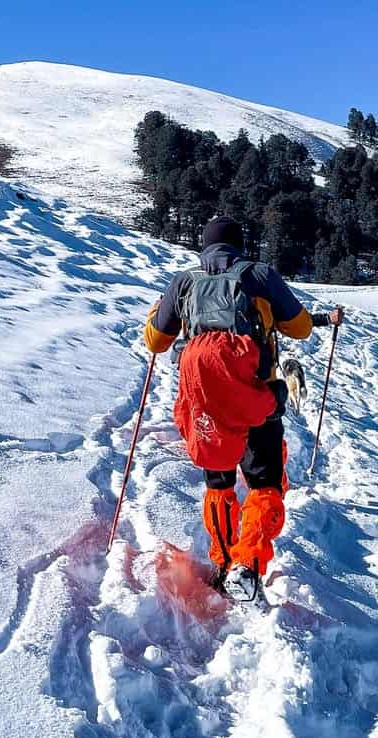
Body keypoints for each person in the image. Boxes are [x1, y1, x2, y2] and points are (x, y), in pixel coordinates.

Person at [144, 215, 343, 596]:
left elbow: (156, 342)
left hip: (203, 402)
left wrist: (156, 313)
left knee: (219, 483)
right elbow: (299, 328)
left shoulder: (184, 282)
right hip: (257, 397)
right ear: (239, 246)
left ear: (204, 246)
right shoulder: (258, 275)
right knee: (265, 482)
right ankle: (248, 562)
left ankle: (221, 563)